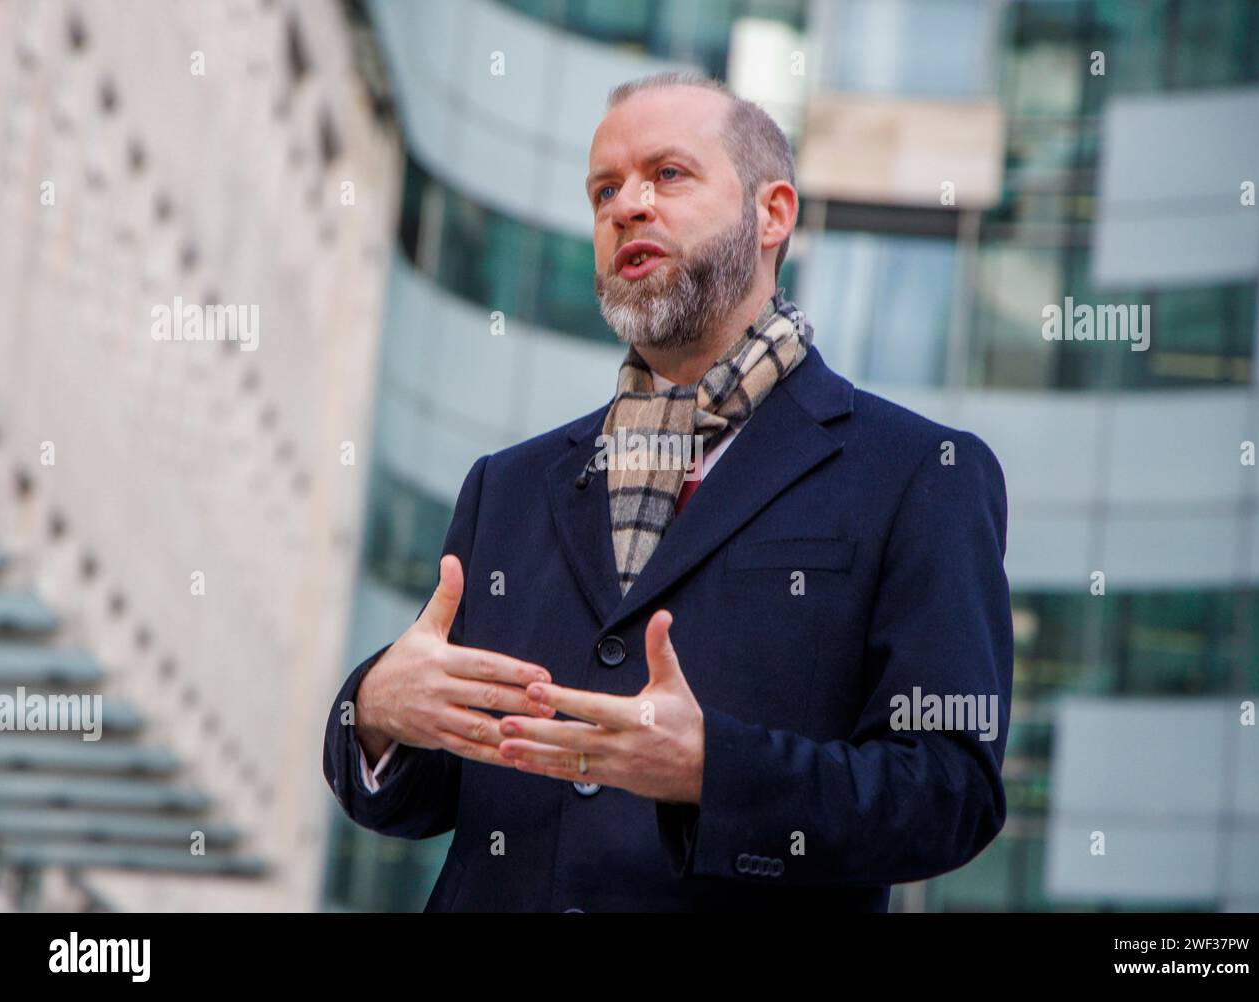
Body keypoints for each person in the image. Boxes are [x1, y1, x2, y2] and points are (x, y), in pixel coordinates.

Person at [322, 70, 1013, 912]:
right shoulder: (506, 486)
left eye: (668, 175)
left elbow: (950, 793)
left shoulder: (920, 474)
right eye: (603, 190)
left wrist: (711, 769)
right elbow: (425, 792)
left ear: (774, 214)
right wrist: (379, 709)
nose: (626, 206)